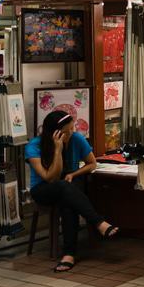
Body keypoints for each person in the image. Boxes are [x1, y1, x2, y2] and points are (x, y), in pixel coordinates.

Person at [25, 111, 118, 273]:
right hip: (43, 189)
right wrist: (57, 150)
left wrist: (73, 174)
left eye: (72, 128)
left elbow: (92, 164)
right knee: (63, 187)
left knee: (68, 201)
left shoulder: (76, 138)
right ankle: (98, 222)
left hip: (68, 187)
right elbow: (50, 177)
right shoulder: (34, 146)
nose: (72, 133)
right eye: (67, 131)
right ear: (55, 133)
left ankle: (68, 255)